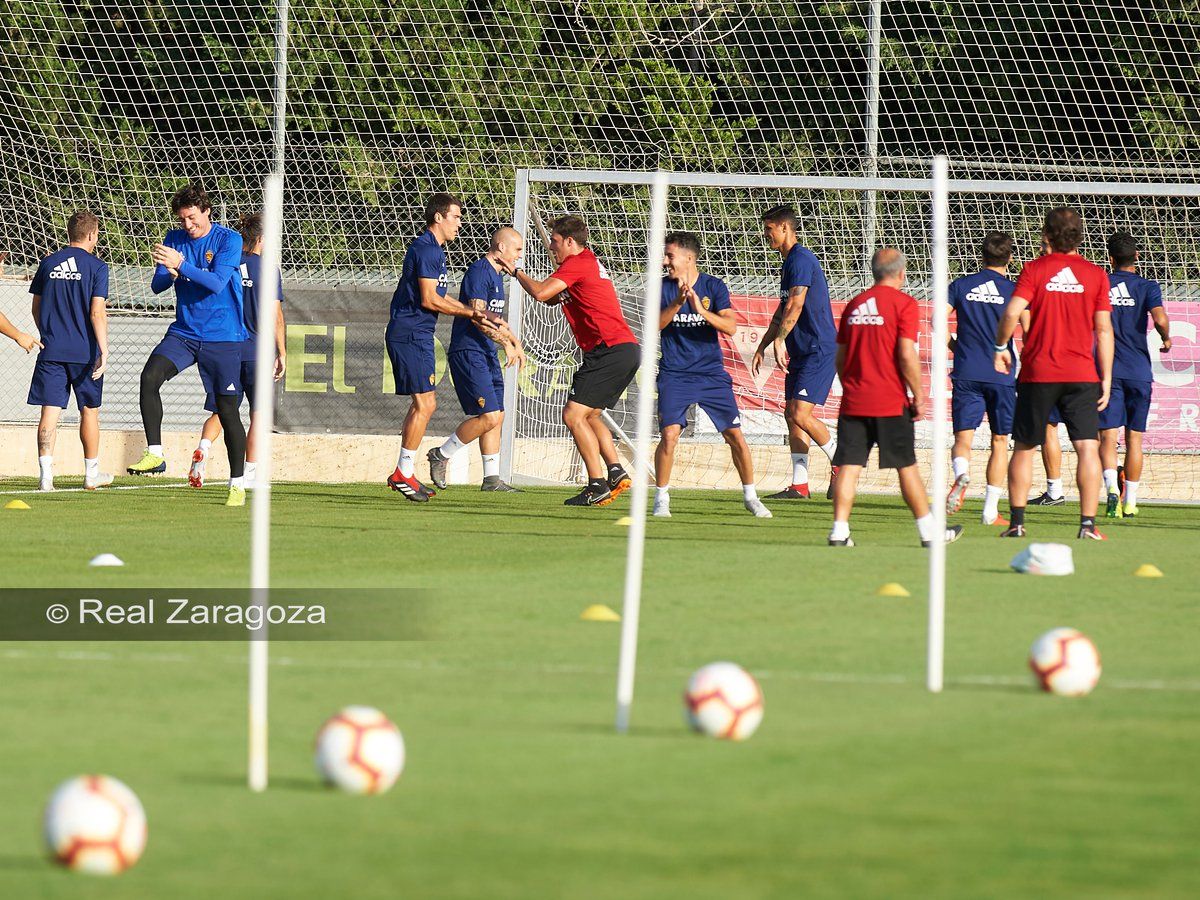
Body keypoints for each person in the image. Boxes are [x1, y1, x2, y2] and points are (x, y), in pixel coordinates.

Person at [828, 248, 962, 548]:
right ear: (901, 273)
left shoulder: (855, 305)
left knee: (849, 466)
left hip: (854, 401)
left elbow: (841, 357)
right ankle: (929, 532)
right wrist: (919, 394)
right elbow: (906, 354)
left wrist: (852, 384)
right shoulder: (904, 304)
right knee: (906, 466)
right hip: (889, 401)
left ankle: (839, 531)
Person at [502, 215, 639, 507]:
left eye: (553, 241)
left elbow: (540, 293)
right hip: (623, 348)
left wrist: (516, 272)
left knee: (572, 416)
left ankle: (596, 484)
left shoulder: (576, 264)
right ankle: (615, 471)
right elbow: (553, 298)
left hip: (609, 349)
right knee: (591, 415)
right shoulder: (585, 262)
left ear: (569, 241)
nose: (551, 246)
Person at [993, 207, 1113, 540]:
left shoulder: (1035, 269)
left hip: (1039, 371)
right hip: (1082, 373)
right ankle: (1087, 524)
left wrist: (1001, 346)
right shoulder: (1095, 274)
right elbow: (1103, 331)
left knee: (1025, 447)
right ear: (1080, 236)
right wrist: (1105, 377)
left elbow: (1012, 312)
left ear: (1046, 234)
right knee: (1088, 447)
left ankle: (1017, 523)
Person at [129, 182, 249, 507]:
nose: (188, 225)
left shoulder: (229, 239)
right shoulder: (174, 239)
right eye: (183, 219)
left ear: (207, 212)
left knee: (226, 411)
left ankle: (237, 483)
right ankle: (155, 454)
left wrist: (181, 265)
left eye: (193, 218)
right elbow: (156, 286)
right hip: (184, 333)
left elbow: (216, 282)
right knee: (149, 377)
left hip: (222, 337)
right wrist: (168, 272)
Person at [652, 232, 770, 519]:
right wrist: (678, 304)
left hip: (710, 375)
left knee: (735, 436)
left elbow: (730, 327)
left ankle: (750, 496)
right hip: (674, 374)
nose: (665, 261)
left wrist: (702, 311)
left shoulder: (713, 286)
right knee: (669, 435)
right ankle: (661, 498)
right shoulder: (662, 288)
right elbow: (655, 324)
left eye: (670, 255)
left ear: (688, 258)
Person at [385, 193, 492, 502]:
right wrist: (471, 312)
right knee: (426, 404)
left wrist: (473, 312)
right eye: (456, 217)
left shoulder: (434, 252)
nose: (460, 223)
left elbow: (439, 298)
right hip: (410, 334)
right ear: (439, 218)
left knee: (424, 403)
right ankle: (403, 472)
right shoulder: (427, 250)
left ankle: (404, 471)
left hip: (416, 334)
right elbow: (430, 300)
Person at [187, 212, 286, 490]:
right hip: (257, 351)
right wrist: (282, 352)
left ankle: (203, 449)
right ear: (263, 239)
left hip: (225, 347)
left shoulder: (226, 262)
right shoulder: (267, 269)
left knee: (223, 409)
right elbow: (275, 315)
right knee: (258, 414)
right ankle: (251, 472)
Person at [426, 227, 527, 492]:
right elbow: (479, 317)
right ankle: (442, 454)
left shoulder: (496, 276)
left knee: (498, 415)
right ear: (501, 247)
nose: (519, 256)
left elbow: (496, 321)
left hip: (486, 352)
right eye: (517, 250)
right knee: (490, 416)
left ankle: (491, 479)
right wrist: (507, 343)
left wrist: (515, 343)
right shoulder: (480, 272)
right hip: (469, 352)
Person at [752, 205, 839, 501]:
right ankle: (800, 485)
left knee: (801, 412)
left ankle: (841, 460)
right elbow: (782, 309)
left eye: (769, 230)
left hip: (818, 348)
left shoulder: (800, 259)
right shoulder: (788, 263)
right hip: (801, 350)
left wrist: (780, 340)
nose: (766, 236)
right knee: (792, 415)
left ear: (785, 228)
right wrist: (764, 344)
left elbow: (796, 305)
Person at [26, 210, 112, 491]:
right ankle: (91, 474)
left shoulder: (48, 262)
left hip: (51, 350)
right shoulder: (98, 267)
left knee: (49, 412)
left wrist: (47, 333)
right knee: (89, 410)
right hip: (85, 352)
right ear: (91, 235)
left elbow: (36, 307)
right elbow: (97, 313)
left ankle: (46, 477)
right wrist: (104, 349)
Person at [946, 231, 1023, 526]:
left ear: (981, 256)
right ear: (1010, 258)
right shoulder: (1015, 291)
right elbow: (1027, 330)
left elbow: (936, 320)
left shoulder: (962, 285)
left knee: (963, 437)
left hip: (967, 370)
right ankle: (990, 511)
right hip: (1001, 374)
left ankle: (961, 474)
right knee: (1000, 441)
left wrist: (956, 347)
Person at [1100, 232, 1171, 518]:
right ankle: (1131, 501)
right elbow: (1160, 319)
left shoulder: (1100, 283)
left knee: (1106, 438)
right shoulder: (1147, 286)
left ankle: (1111, 492)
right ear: (1137, 257)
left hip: (1107, 372)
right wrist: (1166, 339)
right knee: (1135, 440)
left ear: (1110, 259)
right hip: (1138, 371)